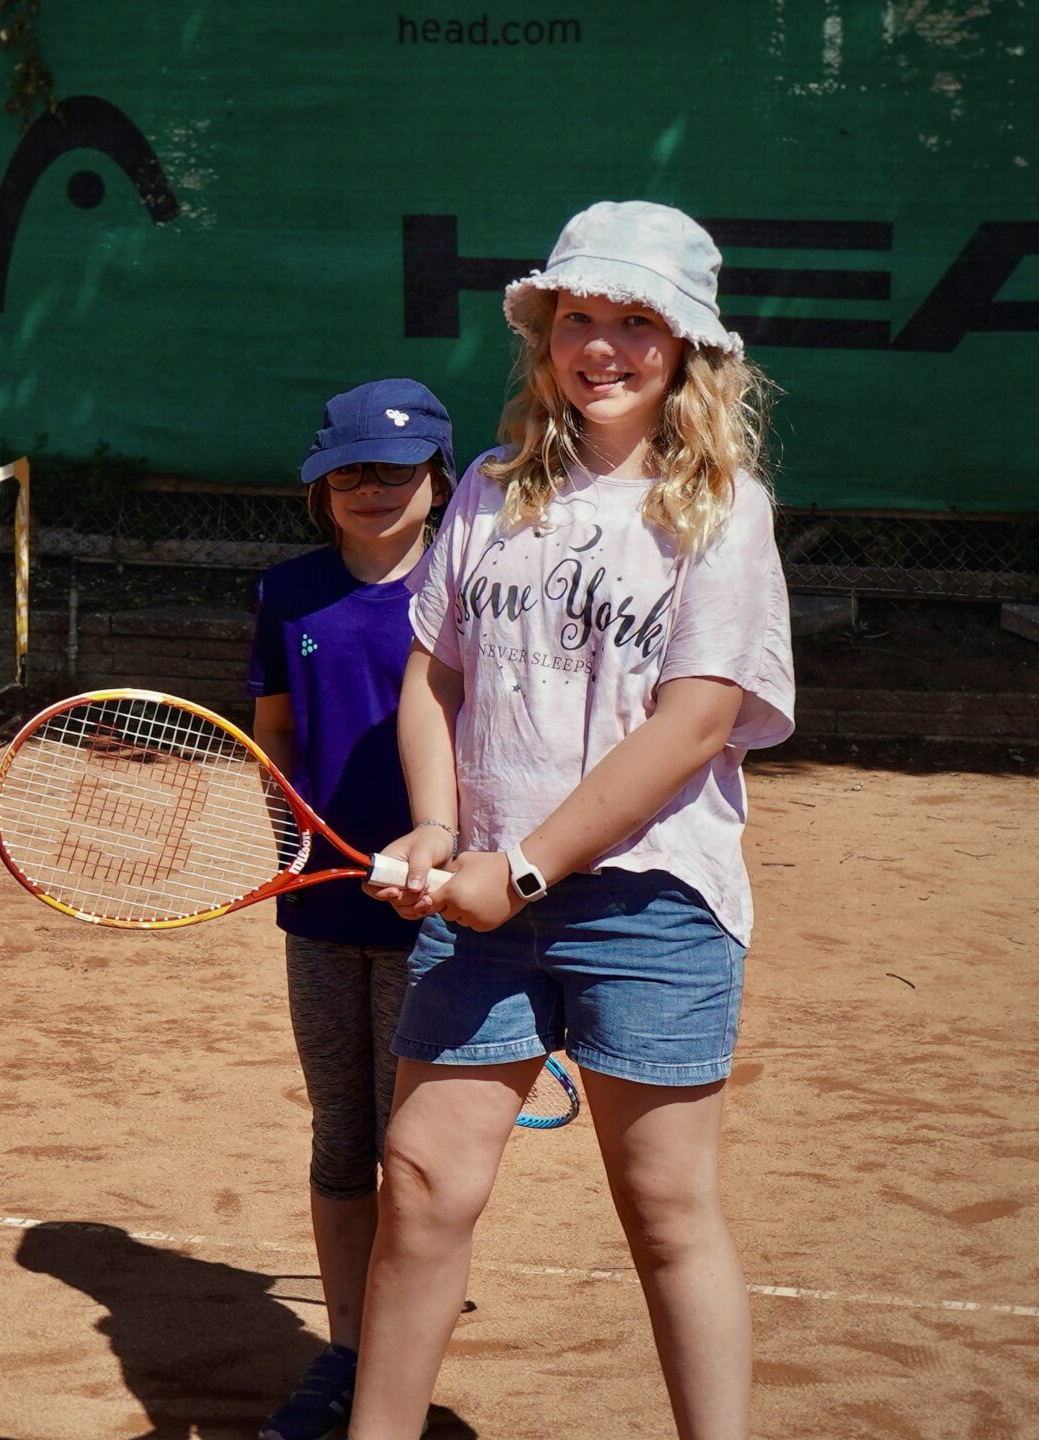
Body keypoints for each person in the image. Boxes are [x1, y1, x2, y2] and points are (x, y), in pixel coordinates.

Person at [354, 201, 795, 1440]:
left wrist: (527, 870)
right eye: (578, 320)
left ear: (690, 351)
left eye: (635, 324)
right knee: (423, 1184)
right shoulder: (490, 492)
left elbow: (692, 724)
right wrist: (440, 831)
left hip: (650, 904)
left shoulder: (722, 512)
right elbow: (432, 676)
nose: (600, 347)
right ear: (546, 336)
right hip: (484, 895)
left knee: (664, 1210)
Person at [245, 379, 455, 1440]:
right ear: (321, 487)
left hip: (439, 913)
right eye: (349, 472)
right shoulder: (288, 594)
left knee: (414, 1155)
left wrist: (450, 860)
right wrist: (291, 837)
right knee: (341, 1139)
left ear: (437, 479)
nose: (371, 488)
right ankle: (345, 1350)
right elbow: (273, 732)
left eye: (395, 470)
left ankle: (399, 1340)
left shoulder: (469, 594)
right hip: (325, 906)